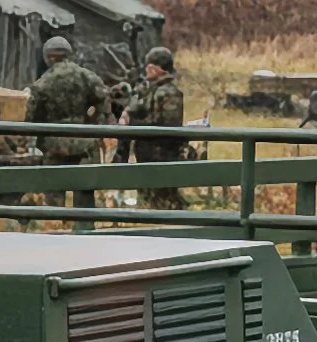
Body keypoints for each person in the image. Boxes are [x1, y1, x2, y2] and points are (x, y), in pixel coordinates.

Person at [115, 45, 193, 211]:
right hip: (147, 153)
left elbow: (168, 127)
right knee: (148, 197)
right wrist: (127, 113)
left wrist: (136, 126)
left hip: (161, 155)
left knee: (162, 200)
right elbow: (137, 105)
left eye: (150, 67)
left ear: (158, 69)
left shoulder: (171, 93)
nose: (147, 70)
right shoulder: (150, 89)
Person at [25, 34, 111, 167]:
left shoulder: (41, 83)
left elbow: (31, 117)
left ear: (49, 57)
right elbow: (104, 102)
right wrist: (95, 126)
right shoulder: (88, 77)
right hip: (85, 142)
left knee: (54, 187)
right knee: (84, 186)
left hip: (54, 146)